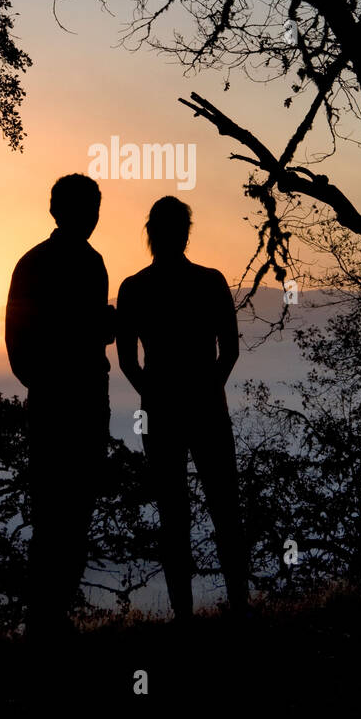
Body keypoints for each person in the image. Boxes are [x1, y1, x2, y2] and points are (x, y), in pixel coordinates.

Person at [116, 197, 249, 624]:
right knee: (225, 507)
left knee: (174, 514)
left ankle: (184, 615)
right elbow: (229, 351)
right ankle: (239, 606)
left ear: (150, 233)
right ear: (186, 232)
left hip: (161, 412)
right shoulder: (210, 282)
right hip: (207, 407)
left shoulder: (134, 288)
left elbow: (127, 362)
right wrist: (208, 389)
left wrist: (152, 395)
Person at [5, 174, 114, 637]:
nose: (89, 218)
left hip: (76, 400)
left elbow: (21, 341)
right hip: (66, 401)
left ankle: (50, 618)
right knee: (58, 514)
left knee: (69, 511)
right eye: (83, 208)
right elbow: (21, 342)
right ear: (57, 211)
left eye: (93, 208)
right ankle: (44, 622)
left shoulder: (78, 262)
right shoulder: (49, 264)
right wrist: (51, 384)